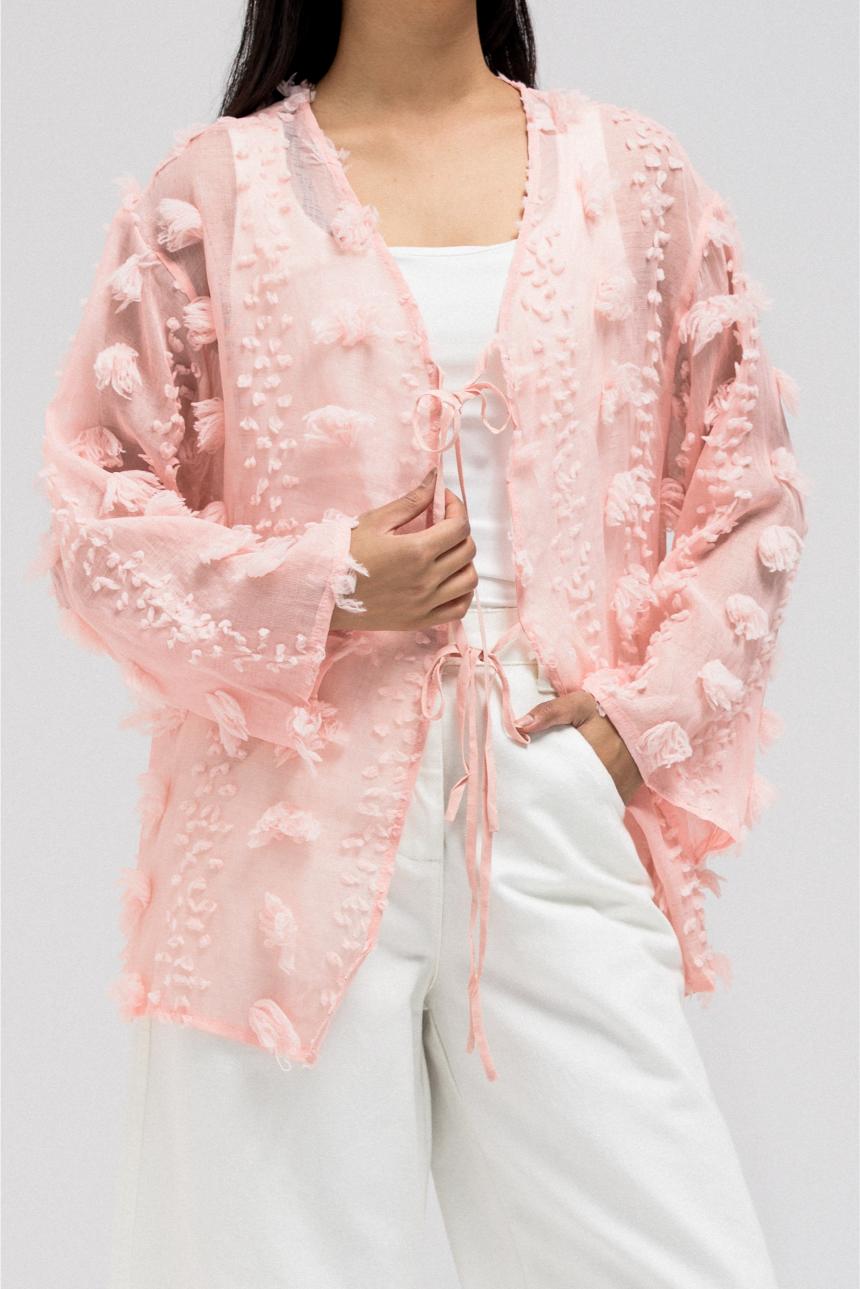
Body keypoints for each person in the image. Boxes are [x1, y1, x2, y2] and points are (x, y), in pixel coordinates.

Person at [36, 1, 809, 1285]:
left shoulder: (632, 175)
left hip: (550, 796)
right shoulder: (212, 192)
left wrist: (633, 728)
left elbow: (749, 492)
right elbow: (95, 524)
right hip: (276, 843)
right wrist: (326, 581)